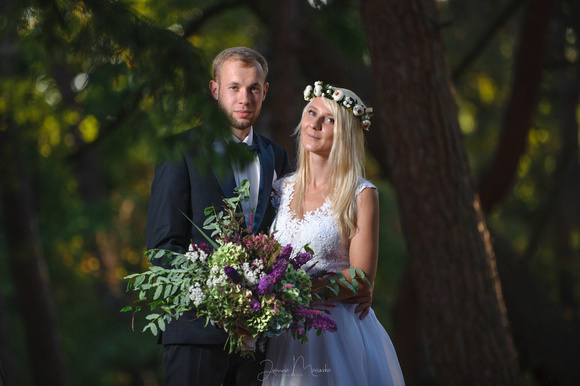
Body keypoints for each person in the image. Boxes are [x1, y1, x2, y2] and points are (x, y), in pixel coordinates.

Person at [145, 47, 292, 386]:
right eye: (234, 87)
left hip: (260, 341)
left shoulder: (277, 157)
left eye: (254, 88)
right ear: (214, 90)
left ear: (265, 91)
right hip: (195, 333)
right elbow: (162, 247)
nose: (245, 97)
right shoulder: (179, 151)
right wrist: (221, 303)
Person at [262, 81, 405, 385]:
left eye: (328, 119)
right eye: (311, 113)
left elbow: (361, 277)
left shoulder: (360, 194)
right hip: (281, 331)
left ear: (345, 134)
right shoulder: (279, 189)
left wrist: (299, 292)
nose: (314, 123)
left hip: (332, 332)